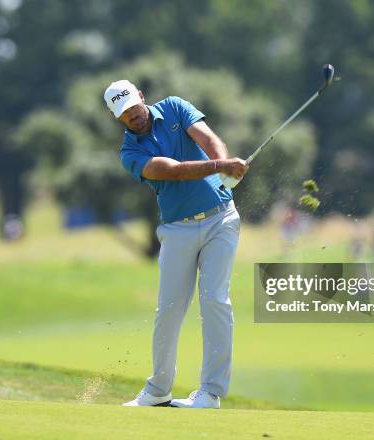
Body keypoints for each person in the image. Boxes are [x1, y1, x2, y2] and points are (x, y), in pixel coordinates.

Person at [104, 80, 248, 409]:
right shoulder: (131, 153)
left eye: (134, 107)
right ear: (117, 118)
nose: (133, 116)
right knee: (169, 310)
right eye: (125, 114)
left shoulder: (174, 107)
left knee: (214, 300)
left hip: (220, 219)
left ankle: (210, 392)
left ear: (141, 96)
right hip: (177, 230)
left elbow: (208, 139)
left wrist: (226, 172)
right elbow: (175, 172)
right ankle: (158, 390)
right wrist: (220, 167)